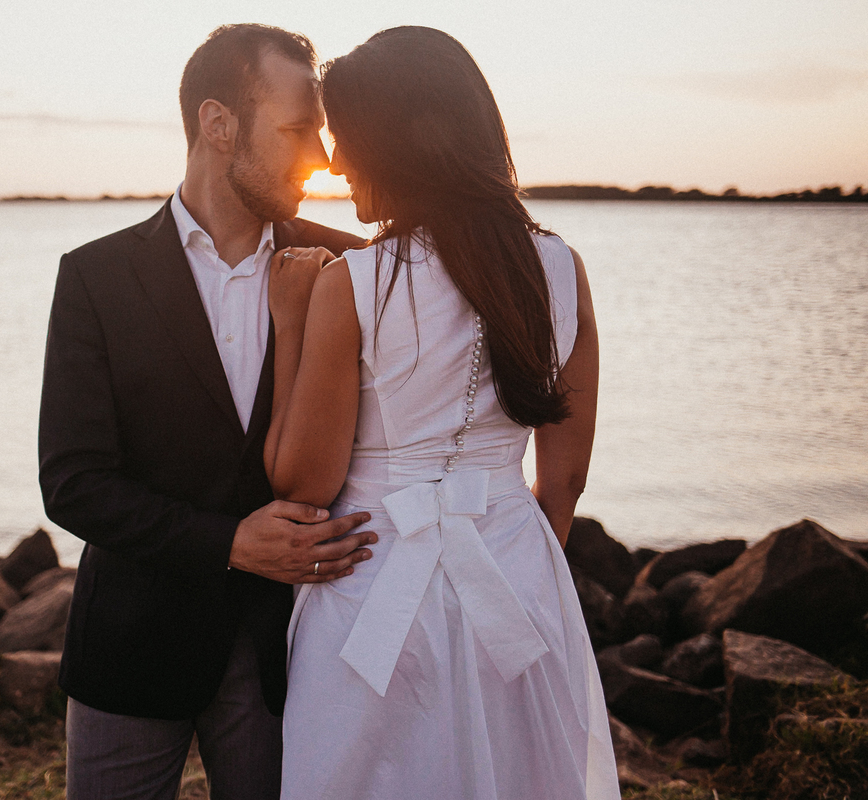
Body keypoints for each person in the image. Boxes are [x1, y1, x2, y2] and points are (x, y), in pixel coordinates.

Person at [264, 26, 620, 800]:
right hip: (519, 581)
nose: (332, 161)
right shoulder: (561, 269)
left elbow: (303, 478)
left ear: (395, 145)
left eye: (344, 139)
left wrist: (290, 328)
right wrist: (513, 564)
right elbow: (565, 478)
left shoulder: (351, 284)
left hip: (371, 593)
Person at [38, 24, 375, 800]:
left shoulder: (347, 267)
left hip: (289, 652)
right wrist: (230, 542)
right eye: (297, 131)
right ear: (217, 123)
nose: (319, 156)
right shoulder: (95, 276)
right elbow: (74, 482)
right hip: (131, 644)